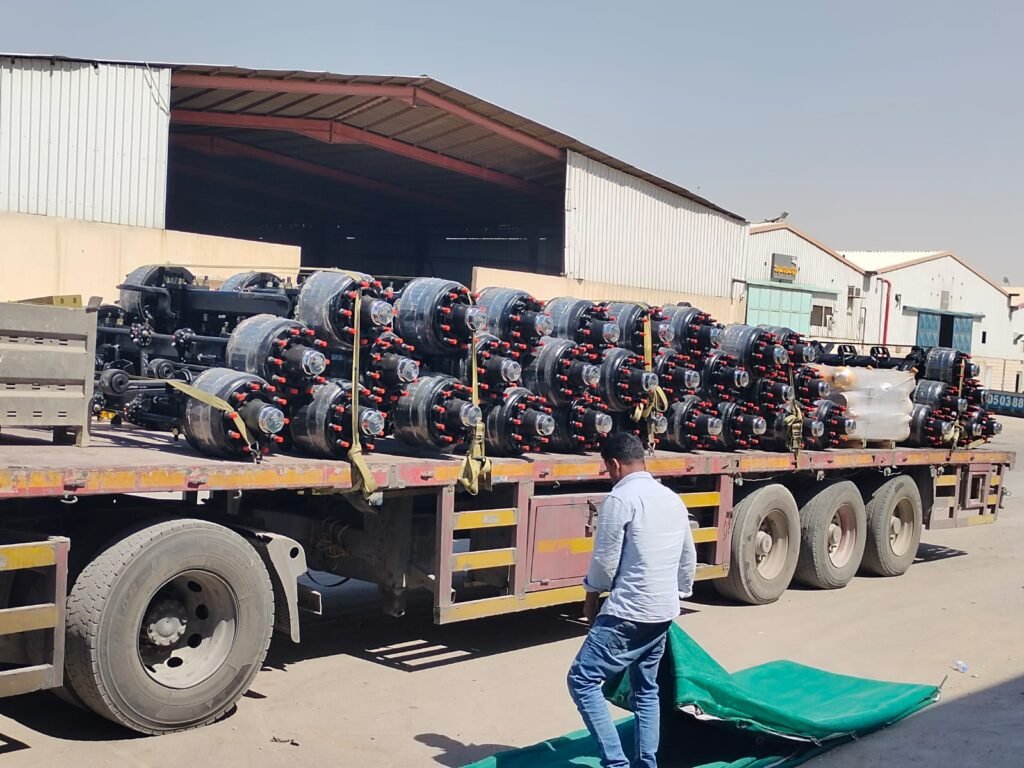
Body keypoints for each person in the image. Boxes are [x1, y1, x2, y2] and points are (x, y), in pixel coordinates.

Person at [566, 431, 696, 768]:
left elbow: (604, 562)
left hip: (628, 612)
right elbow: (687, 557)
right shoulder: (671, 498)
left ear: (614, 464)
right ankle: (645, 763)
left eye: (607, 469)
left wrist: (591, 598)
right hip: (662, 612)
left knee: (582, 679)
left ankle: (616, 763)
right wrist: (676, 594)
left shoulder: (620, 499)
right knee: (645, 688)